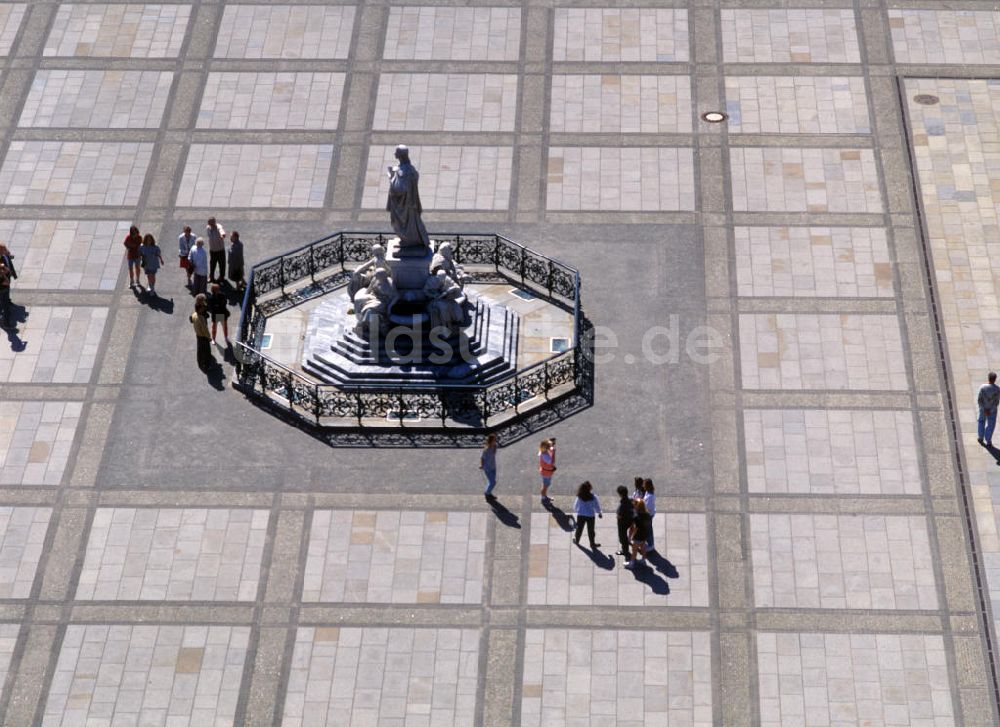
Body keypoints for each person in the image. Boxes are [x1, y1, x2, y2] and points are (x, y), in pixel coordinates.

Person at [385, 145, 429, 251]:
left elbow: (399, 189)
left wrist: (391, 176)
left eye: (396, 152)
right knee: (410, 224)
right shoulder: (409, 168)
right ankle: (409, 240)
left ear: (400, 155)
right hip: (408, 204)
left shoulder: (403, 171)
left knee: (400, 224)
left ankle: (409, 241)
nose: (394, 154)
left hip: (404, 206)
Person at [572, 481, 602, 549]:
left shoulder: (579, 496)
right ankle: (592, 543)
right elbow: (597, 506)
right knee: (591, 530)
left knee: (579, 529)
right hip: (590, 516)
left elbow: (575, 507)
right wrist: (599, 513)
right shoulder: (593, 497)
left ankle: (577, 540)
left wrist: (578, 511)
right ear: (590, 488)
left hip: (581, 515)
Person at [624, 500, 652, 570]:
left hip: (638, 535)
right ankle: (643, 560)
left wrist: (631, 536)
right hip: (645, 534)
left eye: (634, 505)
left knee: (634, 550)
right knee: (643, 547)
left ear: (637, 506)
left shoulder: (636, 516)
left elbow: (633, 527)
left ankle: (631, 563)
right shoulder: (648, 514)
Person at [190, 294, 212, 371]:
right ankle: (206, 365)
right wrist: (209, 338)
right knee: (206, 350)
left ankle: (200, 362)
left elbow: (191, 319)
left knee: (200, 349)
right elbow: (205, 330)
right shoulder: (201, 319)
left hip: (198, 335)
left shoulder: (194, 314)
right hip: (203, 336)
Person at [978, 372, 1000, 447]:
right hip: (992, 411)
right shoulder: (997, 389)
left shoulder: (982, 387)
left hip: (983, 409)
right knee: (991, 425)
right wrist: (990, 411)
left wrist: (984, 410)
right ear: (995, 379)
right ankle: (988, 440)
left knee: (981, 421)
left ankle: (980, 437)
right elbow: (996, 402)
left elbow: (979, 400)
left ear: (988, 378)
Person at [615, 485, 635, 557]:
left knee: (622, 538)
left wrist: (617, 516)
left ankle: (625, 551)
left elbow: (619, 515)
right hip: (630, 520)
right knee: (624, 537)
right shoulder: (631, 499)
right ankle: (625, 548)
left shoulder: (622, 505)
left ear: (620, 494)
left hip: (622, 523)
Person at [206, 217, 226, 282]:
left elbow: (222, 231)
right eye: (208, 223)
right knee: (212, 264)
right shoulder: (208, 228)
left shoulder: (219, 227)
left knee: (222, 264)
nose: (209, 224)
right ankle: (211, 277)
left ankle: (221, 277)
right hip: (212, 250)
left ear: (214, 222)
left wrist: (222, 235)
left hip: (220, 250)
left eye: (210, 223)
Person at [538, 438, 556, 504]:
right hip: (546, 473)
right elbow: (552, 462)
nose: (551, 447)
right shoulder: (545, 456)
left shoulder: (542, 452)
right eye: (549, 446)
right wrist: (554, 453)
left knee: (545, 484)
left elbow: (550, 448)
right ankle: (543, 497)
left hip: (545, 471)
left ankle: (544, 496)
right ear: (546, 447)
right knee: (545, 485)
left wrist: (552, 445)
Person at [481, 434, 498, 498]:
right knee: (493, 482)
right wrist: (482, 465)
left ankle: (488, 492)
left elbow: (494, 454)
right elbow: (482, 458)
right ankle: (487, 493)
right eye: (494, 440)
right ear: (491, 441)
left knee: (490, 481)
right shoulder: (486, 450)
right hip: (487, 468)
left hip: (493, 467)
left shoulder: (495, 446)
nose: (495, 441)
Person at [642, 479, 657, 552]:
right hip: (647, 515)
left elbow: (649, 508)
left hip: (648, 516)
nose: (643, 486)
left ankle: (651, 545)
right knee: (647, 529)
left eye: (644, 484)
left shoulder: (650, 497)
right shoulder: (648, 492)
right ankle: (649, 543)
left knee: (648, 530)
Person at [0, 262, 11, 328]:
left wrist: (3, 267)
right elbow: (7, 283)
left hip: (4, 291)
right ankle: (6, 323)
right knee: (5, 308)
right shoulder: (1, 277)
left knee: (2, 306)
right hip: (2, 292)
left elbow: (8, 270)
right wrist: (3, 274)